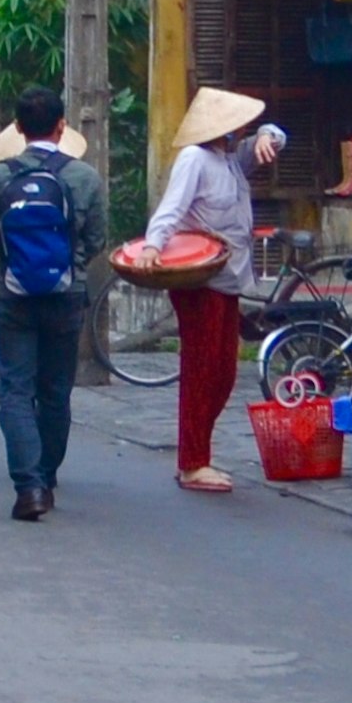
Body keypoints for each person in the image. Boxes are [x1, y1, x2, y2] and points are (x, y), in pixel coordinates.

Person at [0, 86, 108, 520]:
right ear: (61, 126)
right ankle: (46, 477)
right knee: (55, 391)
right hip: (66, 297)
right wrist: (72, 264)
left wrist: (11, 264)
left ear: (17, 129)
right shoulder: (84, 178)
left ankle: (28, 487)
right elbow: (97, 239)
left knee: (15, 389)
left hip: (13, 297)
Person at [141, 86, 279, 495]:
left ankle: (196, 451)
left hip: (229, 278)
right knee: (202, 371)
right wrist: (153, 244)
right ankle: (192, 462)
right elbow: (171, 208)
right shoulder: (194, 159)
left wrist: (271, 135)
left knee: (223, 372)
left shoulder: (231, 160)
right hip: (199, 282)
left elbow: (273, 138)